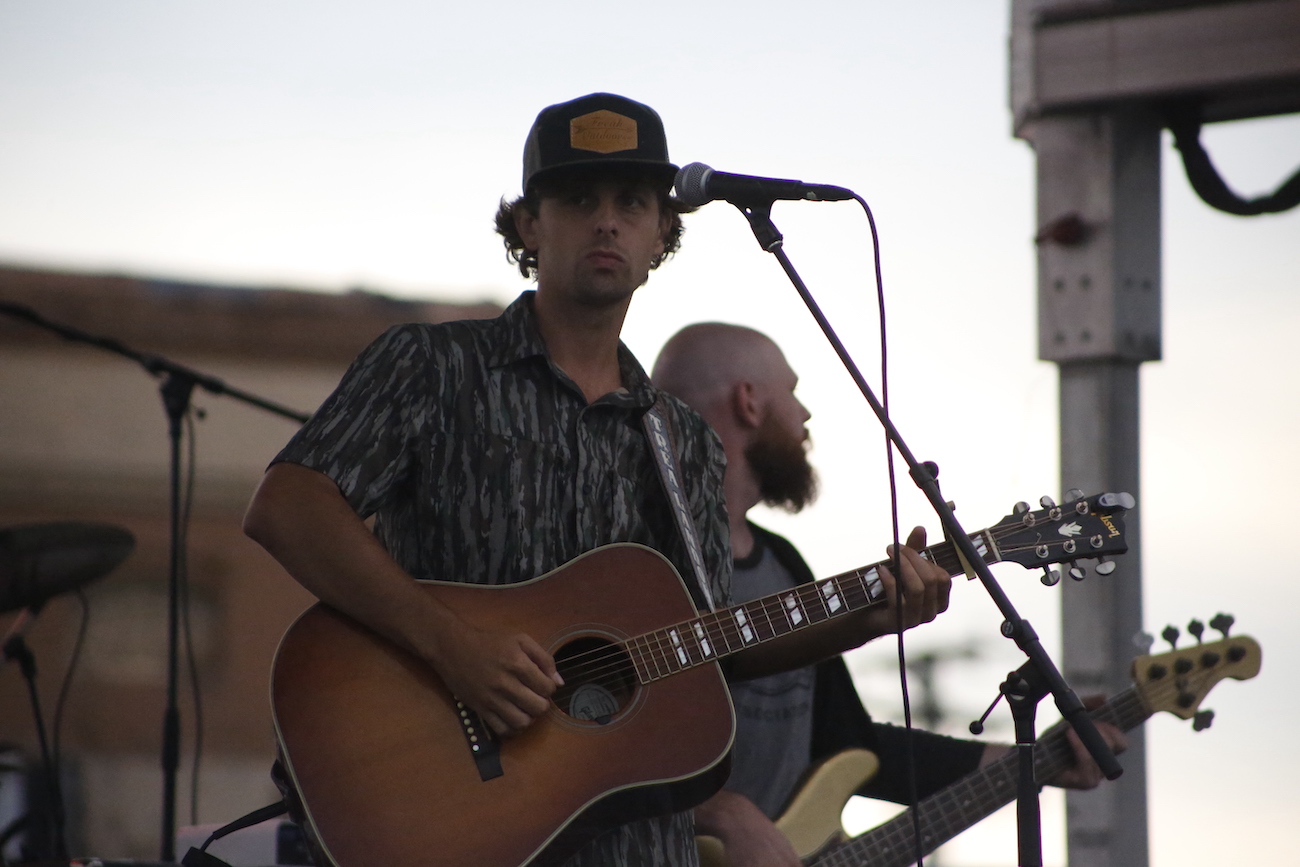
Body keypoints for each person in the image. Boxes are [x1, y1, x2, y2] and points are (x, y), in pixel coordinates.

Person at [243, 94, 953, 867]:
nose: (607, 221)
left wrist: (872, 611)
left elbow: (720, 641)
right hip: (447, 815)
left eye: (632, 204)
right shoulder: (431, 367)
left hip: (633, 844)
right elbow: (288, 503)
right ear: (528, 225)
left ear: (661, 236)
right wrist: (454, 646)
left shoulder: (680, 437)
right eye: (578, 199)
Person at [651, 322, 1127, 867]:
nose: (805, 416)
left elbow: (854, 750)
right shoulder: (639, 559)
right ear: (749, 402)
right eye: (794, 391)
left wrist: (1037, 758)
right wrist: (712, 812)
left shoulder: (783, 565)